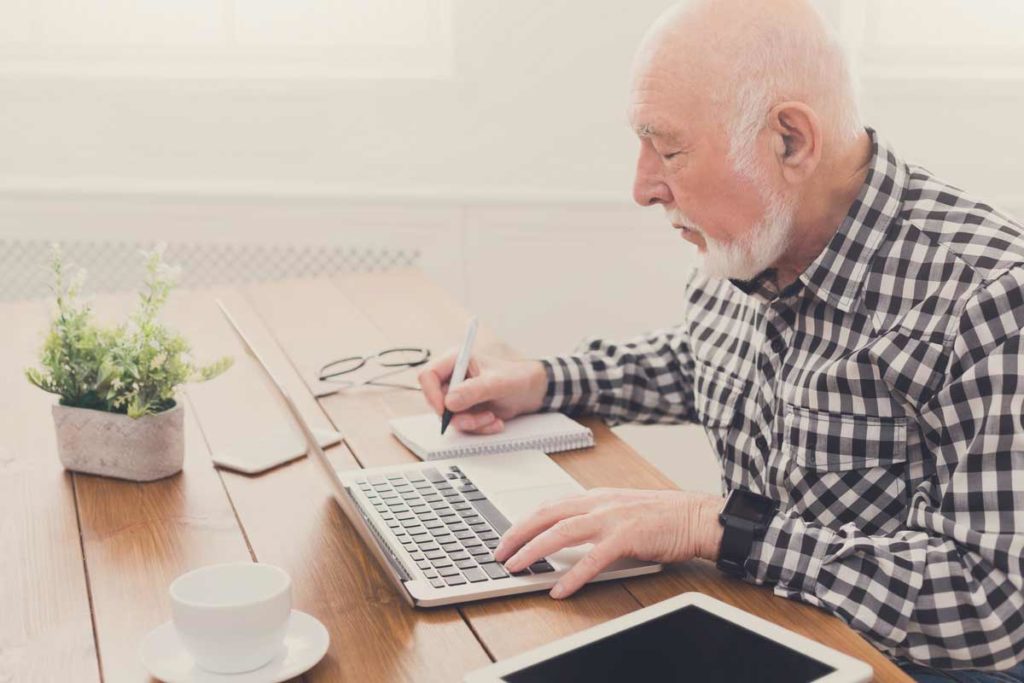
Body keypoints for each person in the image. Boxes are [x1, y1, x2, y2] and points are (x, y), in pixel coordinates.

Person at [418, 0, 1024, 679]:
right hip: (765, 627)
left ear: (789, 140)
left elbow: (998, 604)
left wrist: (716, 526)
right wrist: (546, 379)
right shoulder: (751, 239)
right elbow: (709, 361)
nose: (642, 187)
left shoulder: (990, 298)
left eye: (669, 148)